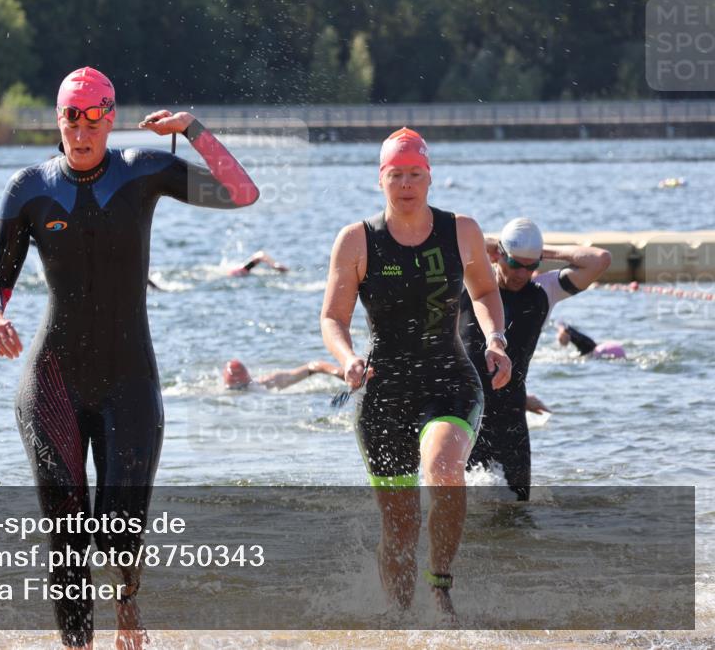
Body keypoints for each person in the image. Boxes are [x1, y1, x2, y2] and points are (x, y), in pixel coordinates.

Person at [0, 67, 259, 649]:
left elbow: (241, 194)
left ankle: (126, 599)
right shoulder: (29, 187)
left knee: (118, 536)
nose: (80, 130)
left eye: (92, 117)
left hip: (128, 380)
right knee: (66, 532)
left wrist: (195, 129)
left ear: (110, 118)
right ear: (58, 120)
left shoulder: (143, 171)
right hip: (51, 381)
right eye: (69, 117)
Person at [320, 127, 510, 621]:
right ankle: (399, 621)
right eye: (396, 175)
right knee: (399, 528)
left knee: (444, 468)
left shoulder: (460, 230)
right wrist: (346, 359)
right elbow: (333, 318)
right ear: (381, 179)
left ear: (429, 178)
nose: (406, 184)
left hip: (450, 380)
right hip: (384, 394)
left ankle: (441, 587)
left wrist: (495, 340)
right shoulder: (357, 240)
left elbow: (486, 294)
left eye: (416, 175)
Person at [459, 219, 612, 501]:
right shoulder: (469, 284)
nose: (522, 274)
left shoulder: (544, 290)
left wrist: (545, 253)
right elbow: (452, 242)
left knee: (518, 508)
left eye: (530, 266)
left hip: (511, 411)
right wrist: (489, 245)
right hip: (464, 409)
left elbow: (599, 260)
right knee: (459, 502)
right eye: (515, 264)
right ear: (497, 255)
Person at [222, 358, 343, 390]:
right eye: (235, 389)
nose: (239, 391)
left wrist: (337, 372)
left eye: (242, 387)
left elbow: (314, 366)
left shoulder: (268, 383)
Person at [556, 322, 626, 359]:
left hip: (591, 350)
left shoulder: (590, 346)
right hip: (591, 350)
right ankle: (563, 332)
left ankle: (563, 332)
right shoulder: (590, 346)